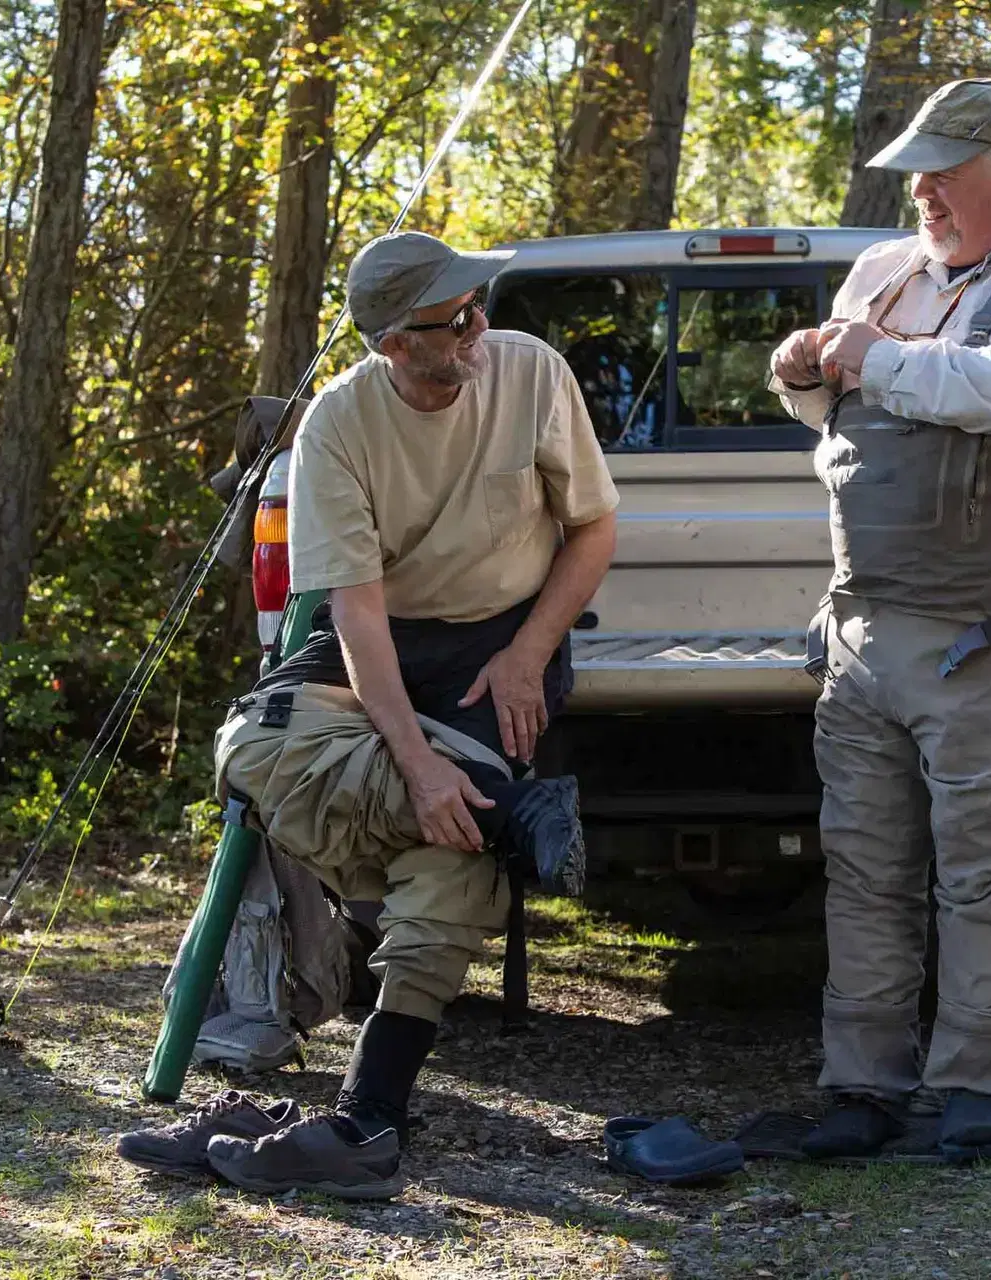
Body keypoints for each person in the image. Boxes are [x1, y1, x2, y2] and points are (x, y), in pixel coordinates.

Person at [118, 230, 619, 1200]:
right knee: (256, 748)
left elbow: (594, 526)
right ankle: (507, 814)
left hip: (503, 636)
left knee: (451, 856)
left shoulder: (530, 370)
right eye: (453, 319)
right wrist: (421, 769)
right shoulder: (340, 423)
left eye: (480, 309)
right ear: (394, 341)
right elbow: (352, 606)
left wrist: (527, 653)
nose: (478, 329)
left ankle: (369, 1116)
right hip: (383, 630)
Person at [768, 77, 991, 1160]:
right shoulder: (884, 272)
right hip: (866, 632)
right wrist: (799, 374)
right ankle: (862, 1087)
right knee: (865, 871)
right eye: (916, 170)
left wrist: (871, 359)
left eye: (942, 169)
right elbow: (840, 398)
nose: (920, 189)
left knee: (983, 874)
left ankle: (980, 1088)